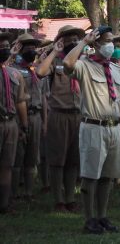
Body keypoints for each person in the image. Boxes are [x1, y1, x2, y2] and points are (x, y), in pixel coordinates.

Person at [63, 26, 120, 234]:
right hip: (93, 126)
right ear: (96, 43)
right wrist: (84, 42)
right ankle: (89, 218)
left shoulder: (116, 69)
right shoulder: (84, 65)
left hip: (114, 127)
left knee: (107, 176)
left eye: (113, 41)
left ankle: (102, 216)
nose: (112, 45)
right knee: (91, 175)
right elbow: (67, 64)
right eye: (107, 41)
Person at [36, 25, 86, 212]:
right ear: (60, 41)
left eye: (76, 39)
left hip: (78, 115)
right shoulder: (55, 61)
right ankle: (58, 199)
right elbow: (40, 72)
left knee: (73, 160)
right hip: (58, 114)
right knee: (58, 160)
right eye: (68, 39)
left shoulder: (81, 61)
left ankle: (70, 198)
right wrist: (54, 52)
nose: (72, 42)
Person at [10, 33, 46, 203]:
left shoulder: (35, 69)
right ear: (20, 49)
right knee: (17, 157)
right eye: (27, 47)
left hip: (36, 115)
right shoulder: (14, 69)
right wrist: (12, 54)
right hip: (19, 117)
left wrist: (44, 120)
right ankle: (14, 192)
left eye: (33, 47)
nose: (31, 50)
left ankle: (29, 193)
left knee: (32, 157)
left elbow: (43, 96)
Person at [0, 32, 29, 214]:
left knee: (7, 165)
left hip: (10, 123)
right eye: (1, 47)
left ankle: (4, 203)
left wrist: (24, 126)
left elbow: (20, 102)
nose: (4, 50)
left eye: (6, 46)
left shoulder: (14, 74)